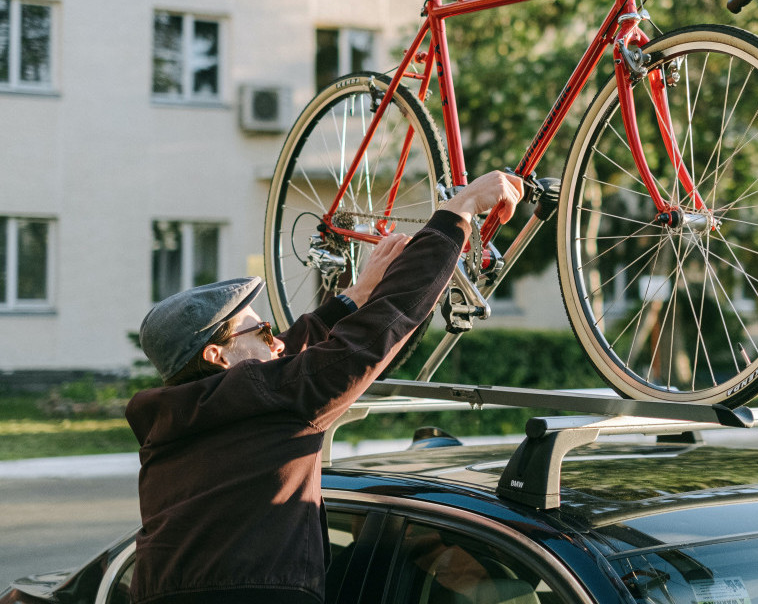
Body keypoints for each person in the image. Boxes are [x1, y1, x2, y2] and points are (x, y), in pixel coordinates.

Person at [125, 171, 524, 604]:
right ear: (216, 357)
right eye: (261, 331)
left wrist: (357, 292)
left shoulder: (180, 420)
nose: (276, 338)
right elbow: (375, 331)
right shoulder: (267, 396)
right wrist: (456, 213)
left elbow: (289, 360)